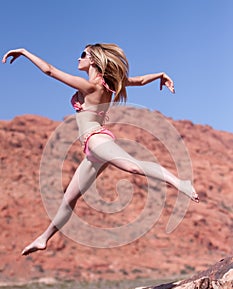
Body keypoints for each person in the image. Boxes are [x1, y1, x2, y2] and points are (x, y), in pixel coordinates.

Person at [2, 43, 199, 255]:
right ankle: (44, 238)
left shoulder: (91, 87)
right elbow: (140, 81)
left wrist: (24, 52)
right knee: (69, 199)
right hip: (91, 150)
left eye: (82, 54)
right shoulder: (109, 85)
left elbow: (50, 70)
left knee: (132, 167)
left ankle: (179, 182)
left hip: (97, 139)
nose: (78, 58)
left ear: (93, 60)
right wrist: (159, 75)